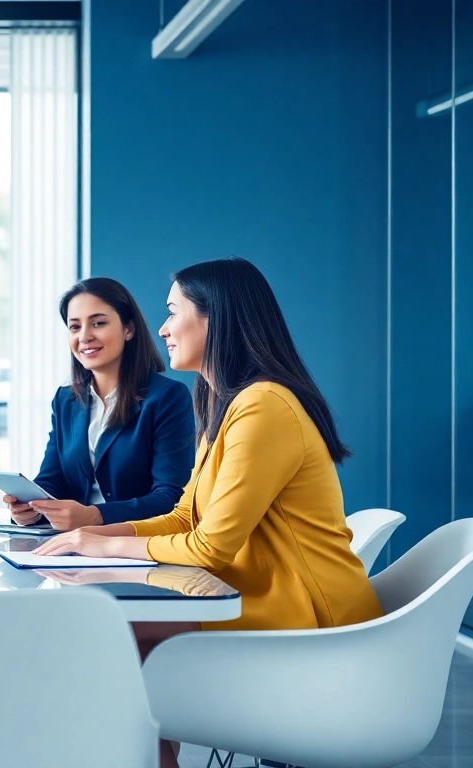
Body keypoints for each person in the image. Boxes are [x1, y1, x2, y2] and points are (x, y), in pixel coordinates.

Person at [34, 258, 384, 768]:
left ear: (213, 319)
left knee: (108, 642)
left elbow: (210, 545)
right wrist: (91, 535)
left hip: (303, 621)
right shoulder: (227, 404)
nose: (163, 327)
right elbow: (183, 517)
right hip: (262, 598)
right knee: (108, 641)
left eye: (174, 311)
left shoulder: (264, 406)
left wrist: (101, 540)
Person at [4, 278, 196, 531]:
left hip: (136, 544)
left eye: (98, 323)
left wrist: (96, 515)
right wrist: (30, 509)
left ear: (129, 329)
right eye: (74, 327)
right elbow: (53, 480)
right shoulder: (66, 400)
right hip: (73, 544)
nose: (84, 336)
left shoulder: (167, 397)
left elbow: (171, 499)